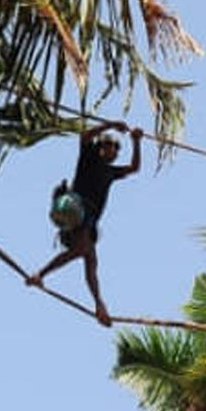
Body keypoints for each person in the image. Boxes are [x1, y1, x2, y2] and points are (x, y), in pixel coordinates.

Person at [27, 120, 143, 325]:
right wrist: (111, 125)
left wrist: (136, 142)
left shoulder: (111, 172)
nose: (114, 152)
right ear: (101, 147)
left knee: (91, 261)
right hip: (77, 211)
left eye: (117, 149)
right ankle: (40, 274)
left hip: (88, 221)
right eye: (110, 147)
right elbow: (85, 136)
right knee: (82, 251)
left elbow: (134, 168)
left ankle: (100, 305)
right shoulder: (89, 156)